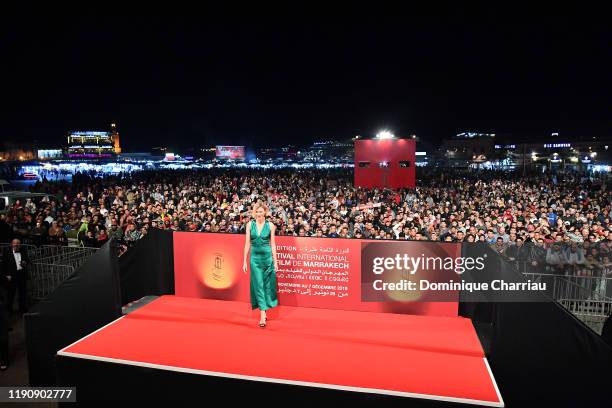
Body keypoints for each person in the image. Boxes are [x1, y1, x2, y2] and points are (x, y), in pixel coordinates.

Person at [243, 202, 278, 328]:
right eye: (257, 212)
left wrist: (276, 261)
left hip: (268, 259)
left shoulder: (270, 225)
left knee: (267, 286)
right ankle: (262, 315)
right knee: (258, 285)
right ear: (254, 213)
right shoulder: (249, 225)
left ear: (265, 213)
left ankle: (264, 309)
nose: (259, 214)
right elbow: (247, 244)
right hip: (255, 259)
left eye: (261, 212)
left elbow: (273, 244)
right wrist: (244, 261)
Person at [2, 239, 30, 315]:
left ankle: (22, 311)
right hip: (12, 276)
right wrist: (6, 275)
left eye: (18, 243)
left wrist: (25, 262)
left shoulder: (23, 251)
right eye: (15, 243)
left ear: (20, 245)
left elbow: (28, 260)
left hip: (22, 275)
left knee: (22, 294)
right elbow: (3, 266)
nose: (16, 245)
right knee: (11, 295)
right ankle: (9, 312)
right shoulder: (7, 253)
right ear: (12, 244)